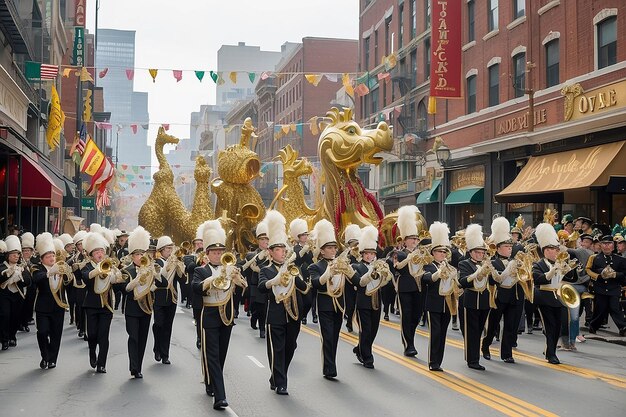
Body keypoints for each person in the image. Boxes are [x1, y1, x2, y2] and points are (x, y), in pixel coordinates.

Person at [192, 220, 246, 410]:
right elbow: (196, 288)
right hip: (210, 316)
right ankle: (220, 396)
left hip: (227, 317)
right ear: (206, 254)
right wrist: (215, 277)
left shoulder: (229, 269)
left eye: (220, 251)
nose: (218, 254)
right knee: (212, 355)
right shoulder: (201, 270)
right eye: (214, 252)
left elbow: (243, 288)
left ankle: (211, 381)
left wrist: (237, 277)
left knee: (221, 355)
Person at [259, 211, 309, 395]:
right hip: (275, 314)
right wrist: (276, 280)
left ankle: (277, 375)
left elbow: (304, 288)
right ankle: (281, 382)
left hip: (293, 313)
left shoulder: (292, 268)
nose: (282, 253)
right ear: (271, 252)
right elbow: (262, 287)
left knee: (290, 347)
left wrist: (294, 275)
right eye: (278, 250)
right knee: (277, 349)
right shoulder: (266, 269)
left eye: (284, 250)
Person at [532, 223, 578, 364]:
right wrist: (553, 271)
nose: (557, 252)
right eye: (554, 249)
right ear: (546, 250)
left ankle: (549, 351)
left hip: (559, 297)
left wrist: (571, 268)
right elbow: (538, 279)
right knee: (550, 327)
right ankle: (551, 354)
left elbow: (573, 279)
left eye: (557, 249)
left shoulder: (560, 262)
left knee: (558, 327)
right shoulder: (538, 264)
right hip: (544, 298)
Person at [481, 217, 524, 363]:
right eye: (506, 247)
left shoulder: (515, 262)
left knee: (510, 326)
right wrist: (508, 269)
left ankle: (507, 353)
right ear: (498, 248)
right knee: (493, 324)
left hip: (514, 296)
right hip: (498, 297)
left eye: (510, 247)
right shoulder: (493, 262)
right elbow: (494, 280)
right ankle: (485, 346)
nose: (509, 249)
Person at [81, 230, 124, 373]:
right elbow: (86, 278)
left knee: (103, 335)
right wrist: (97, 271)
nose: (100, 254)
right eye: (96, 252)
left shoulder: (110, 265)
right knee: (92, 334)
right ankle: (92, 351)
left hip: (106, 306)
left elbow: (117, 285)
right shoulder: (87, 266)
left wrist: (117, 275)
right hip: (91, 305)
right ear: (91, 255)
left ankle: (102, 364)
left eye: (101, 251)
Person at [309, 219, 346, 379]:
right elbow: (316, 283)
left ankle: (331, 365)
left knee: (335, 337)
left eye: (334, 248)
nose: (333, 250)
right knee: (327, 337)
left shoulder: (341, 263)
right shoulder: (315, 266)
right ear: (322, 251)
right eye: (329, 248)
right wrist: (328, 272)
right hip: (324, 305)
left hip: (339, 305)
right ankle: (329, 368)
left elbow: (356, 281)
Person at [351, 225, 390, 369]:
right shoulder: (356, 266)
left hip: (376, 302)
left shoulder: (379, 265)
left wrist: (384, 273)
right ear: (362, 254)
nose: (369, 256)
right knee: (365, 330)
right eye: (367, 253)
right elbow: (360, 282)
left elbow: (386, 282)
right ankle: (368, 357)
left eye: (372, 253)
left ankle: (360, 348)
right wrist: (372, 271)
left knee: (373, 330)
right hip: (362, 302)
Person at [389, 205, 425, 357]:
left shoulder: (422, 252)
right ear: (405, 240)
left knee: (416, 316)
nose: (415, 241)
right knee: (407, 315)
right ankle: (408, 344)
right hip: (405, 288)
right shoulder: (399, 253)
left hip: (419, 288)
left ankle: (410, 337)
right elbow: (396, 267)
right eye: (412, 239)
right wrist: (409, 257)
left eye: (416, 239)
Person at [422, 222, 458, 371]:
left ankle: (439, 361)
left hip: (447, 304)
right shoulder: (428, 266)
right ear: (433, 253)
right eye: (440, 252)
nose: (443, 254)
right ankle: (432, 362)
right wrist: (439, 272)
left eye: (444, 252)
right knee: (435, 333)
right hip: (433, 304)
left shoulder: (450, 267)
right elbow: (427, 279)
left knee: (443, 334)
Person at [119, 226, 154, 379]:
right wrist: (137, 279)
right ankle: (134, 367)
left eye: (142, 254)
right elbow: (124, 289)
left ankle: (138, 366)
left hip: (147, 308)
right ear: (132, 256)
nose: (140, 257)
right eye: (137, 254)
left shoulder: (151, 268)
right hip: (132, 309)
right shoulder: (126, 270)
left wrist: (154, 273)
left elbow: (163, 283)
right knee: (133, 337)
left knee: (143, 338)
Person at [32, 233, 69, 369]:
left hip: (58, 306)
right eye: (48, 257)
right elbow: (36, 279)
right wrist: (50, 272)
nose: (51, 258)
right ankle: (45, 355)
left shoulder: (61, 267)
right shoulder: (37, 269)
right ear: (42, 259)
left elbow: (67, 283)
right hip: (43, 307)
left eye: (52, 256)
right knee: (42, 332)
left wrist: (66, 273)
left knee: (56, 334)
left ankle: (52, 359)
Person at [458, 224, 491, 370]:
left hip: (484, 301)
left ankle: (475, 356)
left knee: (479, 331)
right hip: (470, 301)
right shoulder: (464, 263)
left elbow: (495, 281)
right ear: (471, 252)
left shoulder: (486, 264)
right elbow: (463, 282)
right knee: (471, 331)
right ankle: (472, 360)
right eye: (477, 252)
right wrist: (477, 273)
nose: (480, 255)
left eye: (482, 252)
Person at [585, 235, 626, 336]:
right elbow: (589, 270)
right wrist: (599, 275)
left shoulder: (620, 259)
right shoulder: (595, 258)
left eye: (609, 244)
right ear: (600, 245)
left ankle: (623, 327)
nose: (606, 246)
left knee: (615, 308)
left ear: (613, 246)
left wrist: (615, 274)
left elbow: (624, 273)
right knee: (600, 309)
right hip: (600, 287)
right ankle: (593, 325)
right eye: (604, 244)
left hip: (614, 287)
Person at [152, 236, 183, 365]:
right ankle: (157, 347)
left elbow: (182, 279)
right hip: (159, 297)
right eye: (168, 249)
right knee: (158, 324)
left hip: (172, 298)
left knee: (168, 326)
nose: (170, 251)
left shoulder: (175, 261)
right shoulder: (157, 263)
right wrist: (170, 265)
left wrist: (180, 266)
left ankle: (165, 354)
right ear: (161, 250)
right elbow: (160, 279)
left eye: (171, 248)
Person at [0, 235, 32, 349]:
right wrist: (9, 273)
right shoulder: (2, 266)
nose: (16, 256)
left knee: (15, 317)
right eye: (13, 254)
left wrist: (21, 277)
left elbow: (28, 281)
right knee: (5, 316)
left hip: (17, 295)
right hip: (4, 296)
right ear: (8, 255)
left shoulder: (22, 267)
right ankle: (4, 340)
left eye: (18, 254)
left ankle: (12, 337)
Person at [242, 222, 270, 338]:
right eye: (262, 239)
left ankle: (264, 328)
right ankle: (258, 323)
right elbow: (253, 264)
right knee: (259, 308)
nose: (265, 242)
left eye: (267, 239)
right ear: (258, 241)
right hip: (256, 284)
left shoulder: (273, 253)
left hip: (269, 283)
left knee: (266, 308)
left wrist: (260, 269)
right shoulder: (251, 255)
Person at [290, 218, 315, 325]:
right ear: (299, 237)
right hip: (299, 274)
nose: (305, 237)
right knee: (301, 298)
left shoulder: (310, 247)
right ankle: (300, 315)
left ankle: (304, 315)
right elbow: (297, 259)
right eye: (303, 235)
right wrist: (304, 249)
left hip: (309, 275)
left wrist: (314, 250)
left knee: (310, 300)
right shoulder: (295, 248)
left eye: (306, 235)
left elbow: (312, 261)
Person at [184, 226, 204, 349]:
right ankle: (199, 337)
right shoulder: (189, 257)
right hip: (195, 290)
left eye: (201, 242)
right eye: (197, 243)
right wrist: (199, 259)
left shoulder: (210, 256)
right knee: (198, 318)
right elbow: (190, 268)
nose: (199, 245)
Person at [342, 224, 361, 333]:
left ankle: (358, 323)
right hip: (349, 282)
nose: (355, 245)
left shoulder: (361, 253)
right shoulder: (345, 254)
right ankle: (349, 321)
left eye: (356, 243)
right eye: (353, 243)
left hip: (359, 280)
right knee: (350, 304)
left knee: (359, 304)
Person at [69, 231, 88, 339]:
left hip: (89, 284)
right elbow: (70, 266)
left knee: (87, 308)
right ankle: (81, 327)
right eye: (79, 244)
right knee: (80, 306)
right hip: (79, 284)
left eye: (82, 243)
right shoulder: (76, 256)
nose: (81, 246)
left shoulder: (90, 253)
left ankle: (85, 330)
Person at [18, 232, 36, 332]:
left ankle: (26, 321)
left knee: (29, 304)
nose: (26, 252)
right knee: (21, 305)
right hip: (21, 286)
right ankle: (21, 323)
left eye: (28, 250)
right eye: (24, 250)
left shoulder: (35, 260)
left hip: (32, 287)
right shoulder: (19, 262)